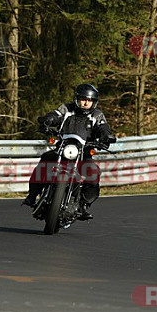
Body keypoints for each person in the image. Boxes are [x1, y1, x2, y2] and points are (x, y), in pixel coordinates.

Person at [22, 83, 116, 220]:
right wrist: (48, 120)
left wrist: (106, 136)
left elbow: (103, 127)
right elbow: (56, 114)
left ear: (94, 102)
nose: (86, 103)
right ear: (77, 99)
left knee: (93, 172)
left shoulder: (97, 115)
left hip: (84, 152)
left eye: (89, 100)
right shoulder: (67, 109)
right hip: (63, 148)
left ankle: (83, 205)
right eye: (83, 99)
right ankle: (32, 195)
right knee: (46, 159)